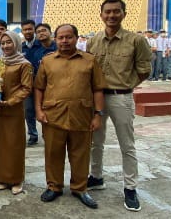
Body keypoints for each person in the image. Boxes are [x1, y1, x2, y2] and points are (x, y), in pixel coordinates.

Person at [87, 0, 151, 212]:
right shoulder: (93, 40)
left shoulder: (135, 41)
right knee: (95, 140)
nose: (111, 15)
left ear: (124, 13)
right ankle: (96, 177)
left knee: (127, 145)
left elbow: (144, 70)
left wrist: (126, 86)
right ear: (101, 14)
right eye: (107, 12)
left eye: (116, 11)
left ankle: (130, 187)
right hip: (97, 97)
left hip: (121, 97)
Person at [35, 24, 105, 209]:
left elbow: (98, 88)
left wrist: (98, 114)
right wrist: (39, 111)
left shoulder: (89, 60)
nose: (64, 41)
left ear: (76, 38)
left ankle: (80, 188)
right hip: (52, 116)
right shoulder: (47, 61)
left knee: (80, 154)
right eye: (61, 38)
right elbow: (39, 88)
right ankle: (54, 186)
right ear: (55, 39)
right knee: (53, 154)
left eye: (69, 37)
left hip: (81, 115)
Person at [0, 30, 33, 195]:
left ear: (16, 43)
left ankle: (15, 179)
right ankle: (1, 177)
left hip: (13, 110)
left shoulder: (24, 64)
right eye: (3, 43)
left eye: (9, 42)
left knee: (14, 145)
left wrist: (11, 101)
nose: (6, 45)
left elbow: (27, 88)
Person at [20, 19, 41, 145]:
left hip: (43, 85)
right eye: (25, 29)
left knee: (46, 109)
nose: (27, 31)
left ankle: (47, 133)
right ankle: (33, 134)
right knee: (28, 110)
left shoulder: (42, 45)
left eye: (30, 29)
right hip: (27, 85)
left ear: (34, 30)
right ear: (22, 31)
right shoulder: (20, 47)